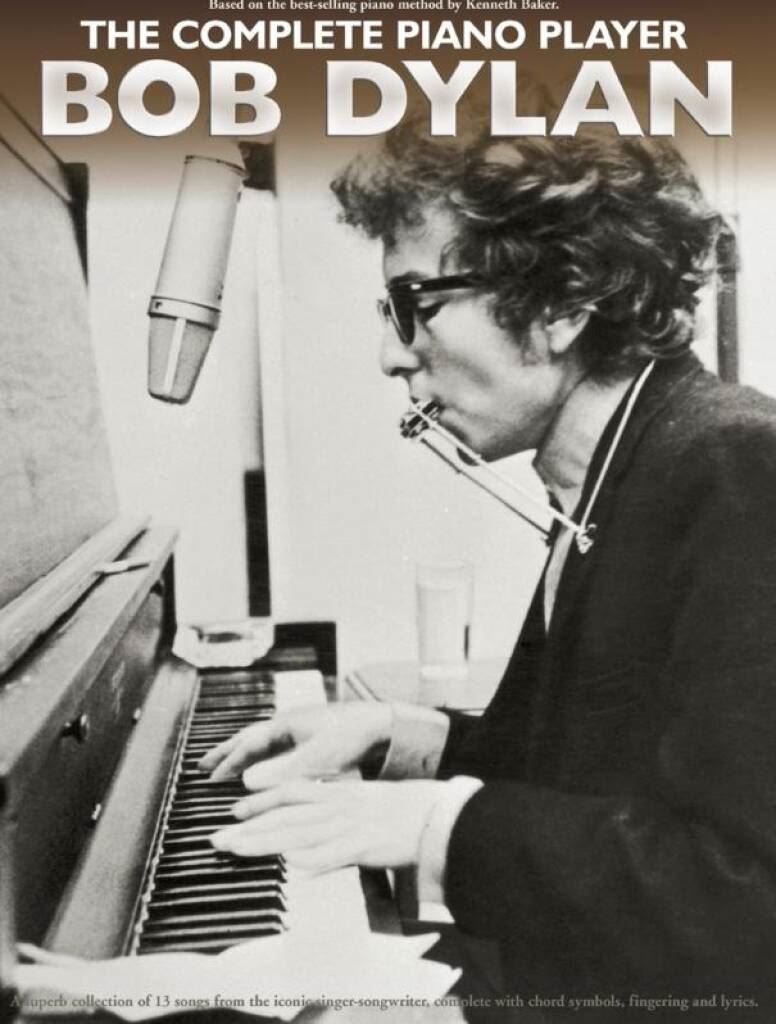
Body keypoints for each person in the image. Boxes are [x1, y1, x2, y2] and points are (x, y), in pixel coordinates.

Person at [200, 110, 776, 1017]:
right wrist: (398, 738)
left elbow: (741, 895)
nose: (392, 355)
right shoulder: (628, 469)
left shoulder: (738, 470)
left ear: (560, 305)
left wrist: (432, 825)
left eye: (415, 304)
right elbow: (588, 773)